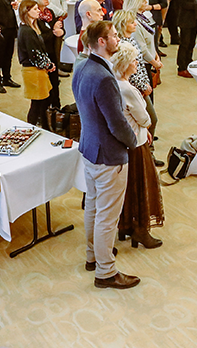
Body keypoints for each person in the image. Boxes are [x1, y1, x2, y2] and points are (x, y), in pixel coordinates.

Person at [72, 21, 140, 289]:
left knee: (93, 206)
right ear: (101, 41)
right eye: (113, 36)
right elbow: (117, 123)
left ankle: (93, 256)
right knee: (107, 217)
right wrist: (133, 142)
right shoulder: (104, 78)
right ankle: (105, 271)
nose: (117, 39)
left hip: (88, 148)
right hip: (108, 155)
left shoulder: (81, 66)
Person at [110, 44, 164, 249]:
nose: (136, 64)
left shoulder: (115, 83)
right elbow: (145, 119)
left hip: (126, 142)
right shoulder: (128, 89)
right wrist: (146, 126)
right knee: (142, 187)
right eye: (133, 61)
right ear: (125, 64)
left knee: (128, 188)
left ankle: (125, 226)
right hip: (137, 144)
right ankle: (140, 229)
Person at [17, 0, 57, 128]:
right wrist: (48, 65)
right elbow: (34, 54)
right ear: (26, 12)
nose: (38, 11)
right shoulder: (27, 31)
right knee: (37, 103)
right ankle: (32, 128)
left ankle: (44, 127)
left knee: (42, 102)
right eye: (34, 9)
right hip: (33, 71)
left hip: (37, 70)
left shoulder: (31, 28)